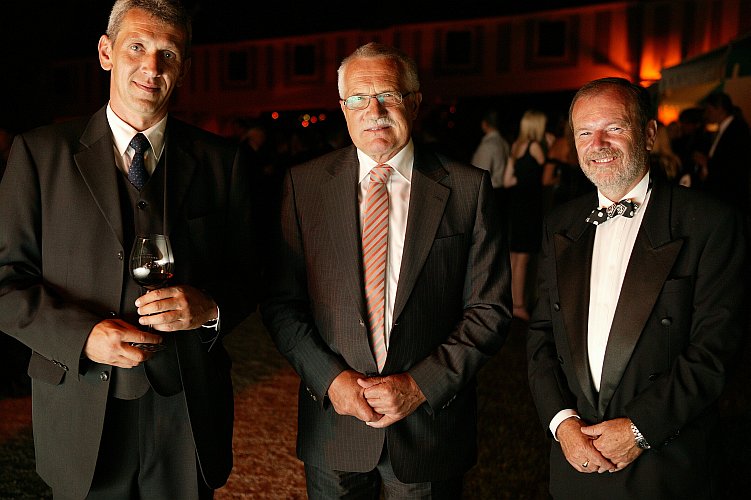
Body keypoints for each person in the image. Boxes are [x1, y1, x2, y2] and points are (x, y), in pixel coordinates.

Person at [0, 1, 257, 498]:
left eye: (169, 53)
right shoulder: (39, 153)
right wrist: (82, 337)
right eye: (137, 46)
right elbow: (5, 283)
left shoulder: (223, 162)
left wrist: (211, 307)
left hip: (186, 406)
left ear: (184, 67)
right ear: (105, 52)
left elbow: (251, 274)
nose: (152, 66)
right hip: (80, 400)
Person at [260, 42, 511, 499]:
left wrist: (420, 386)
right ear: (342, 108)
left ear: (414, 102)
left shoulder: (467, 189)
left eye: (388, 96)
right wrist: (330, 381)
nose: (373, 110)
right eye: (358, 98)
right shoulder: (304, 186)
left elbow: (489, 311)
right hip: (334, 427)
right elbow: (282, 304)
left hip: (428, 429)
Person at [526, 77, 747, 499]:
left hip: (665, 464)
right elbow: (540, 337)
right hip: (576, 464)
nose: (599, 143)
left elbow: (715, 351)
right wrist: (562, 424)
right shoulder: (561, 224)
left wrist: (639, 429)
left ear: (648, 134)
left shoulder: (710, 224)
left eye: (614, 127)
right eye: (585, 132)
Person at [503, 109, 547, 321]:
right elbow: (546, 177)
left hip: (517, 205)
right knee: (523, 258)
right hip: (529, 206)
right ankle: (519, 305)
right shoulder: (536, 147)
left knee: (514, 258)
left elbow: (507, 181)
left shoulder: (516, 147)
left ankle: (512, 302)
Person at [694, 91, 751, 210]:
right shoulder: (724, 129)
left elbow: (734, 163)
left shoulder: (737, 129)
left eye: (709, 110)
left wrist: (707, 163)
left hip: (730, 195)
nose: (707, 115)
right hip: (723, 193)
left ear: (719, 109)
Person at [471, 109, 510, 213]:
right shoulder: (504, 142)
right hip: (501, 193)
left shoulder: (488, 145)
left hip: (490, 194)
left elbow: (480, 174)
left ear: (484, 124)